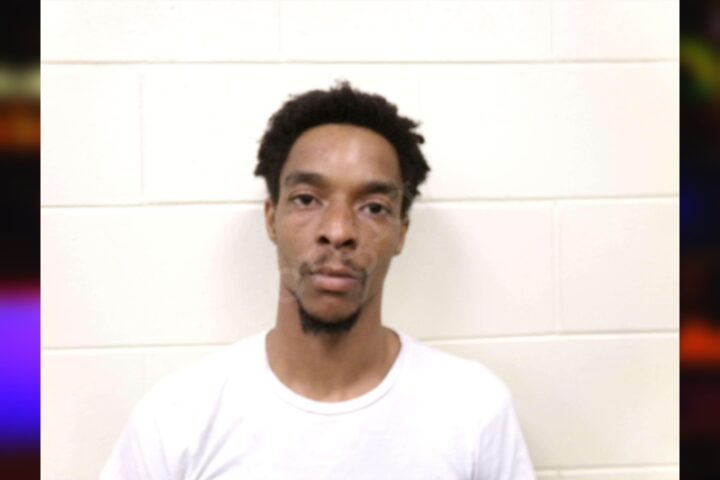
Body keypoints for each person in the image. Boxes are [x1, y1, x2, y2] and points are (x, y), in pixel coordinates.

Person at [101, 82, 536, 479]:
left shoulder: (473, 410)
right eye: (307, 199)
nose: (339, 231)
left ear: (401, 232)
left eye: (374, 207)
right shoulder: (177, 419)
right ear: (272, 218)